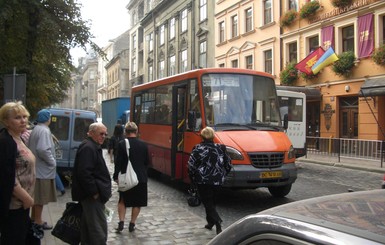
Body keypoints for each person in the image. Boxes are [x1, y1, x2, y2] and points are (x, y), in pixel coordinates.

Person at [0, 101, 36, 244]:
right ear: (6, 121)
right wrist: (26, 198)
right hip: (14, 205)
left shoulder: (18, 138)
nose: (23, 121)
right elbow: (6, 175)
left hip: (22, 204)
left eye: (24, 116)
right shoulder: (5, 142)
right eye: (17, 117)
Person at [71, 122, 112, 244]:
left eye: (105, 134)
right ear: (91, 133)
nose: (103, 136)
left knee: (89, 229)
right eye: (101, 134)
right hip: (91, 196)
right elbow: (84, 173)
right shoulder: (89, 147)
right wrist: (94, 192)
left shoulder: (91, 146)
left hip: (91, 195)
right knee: (98, 229)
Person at [188, 127, 232, 235]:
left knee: (208, 203)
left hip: (203, 181)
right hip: (217, 181)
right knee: (211, 202)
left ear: (202, 136)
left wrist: (192, 177)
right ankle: (210, 223)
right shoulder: (221, 148)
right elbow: (228, 164)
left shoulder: (198, 149)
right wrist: (223, 174)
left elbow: (191, 165)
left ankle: (217, 222)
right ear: (213, 136)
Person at [113, 122, 149, 233]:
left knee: (122, 200)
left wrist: (115, 176)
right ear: (136, 132)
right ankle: (132, 224)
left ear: (125, 132)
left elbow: (118, 162)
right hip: (140, 177)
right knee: (137, 202)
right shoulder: (144, 144)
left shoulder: (122, 144)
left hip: (126, 178)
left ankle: (121, 222)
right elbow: (147, 162)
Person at [28, 109, 57, 230]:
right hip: (43, 171)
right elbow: (42, 149)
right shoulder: (44, 131)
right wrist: (52, 162)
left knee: (37, 198)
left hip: (38, 169)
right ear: (47, 118)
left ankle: (35, 219)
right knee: (40, 198)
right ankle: (38, 221)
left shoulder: (37, 129)